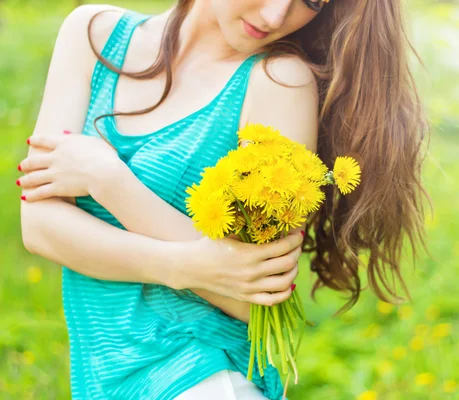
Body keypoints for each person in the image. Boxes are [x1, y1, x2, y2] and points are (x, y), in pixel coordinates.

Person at [17, 0, 428, 399]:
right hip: (106, 375)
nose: (276, 16)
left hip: (205, 377)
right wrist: (197, 264)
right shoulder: (94, 35)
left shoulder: (279, 81)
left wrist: (111, 183)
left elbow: (254, 297)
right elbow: (40, 228)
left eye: (311, 1)